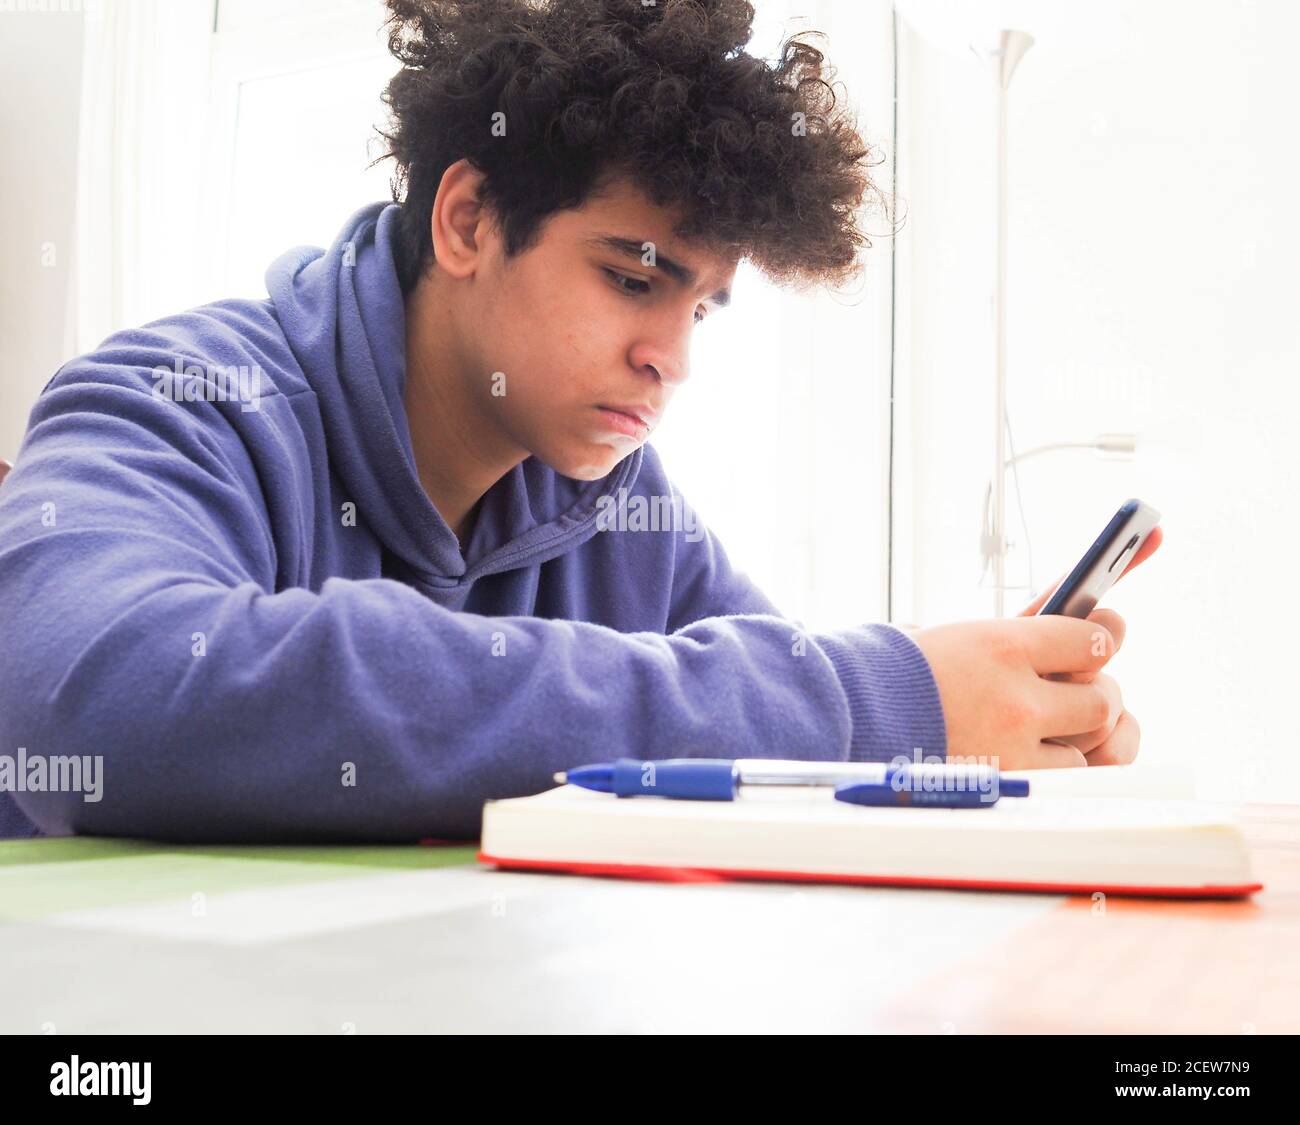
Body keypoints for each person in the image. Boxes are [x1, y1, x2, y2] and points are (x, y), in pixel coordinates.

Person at [0, 0, 1158, 842]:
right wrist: (874, 702)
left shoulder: (623, 503)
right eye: (633, 278)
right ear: (466, 221)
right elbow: (93, 702)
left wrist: (986, 720)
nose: (673, 358)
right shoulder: (174, 401)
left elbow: (770, 746)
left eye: (703, 305)